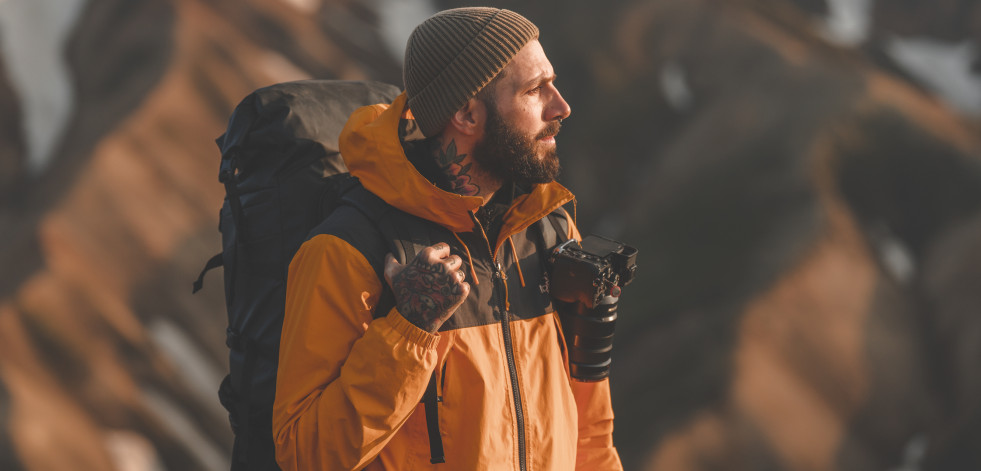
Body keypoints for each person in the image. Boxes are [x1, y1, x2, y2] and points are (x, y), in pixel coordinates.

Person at [272, 7, 622, 470]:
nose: (560, 107)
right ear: (466, 113)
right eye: (535, 90)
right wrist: (408, 331)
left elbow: (590, 429)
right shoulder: (349, 250)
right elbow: (305, 454)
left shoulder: (550, 230)